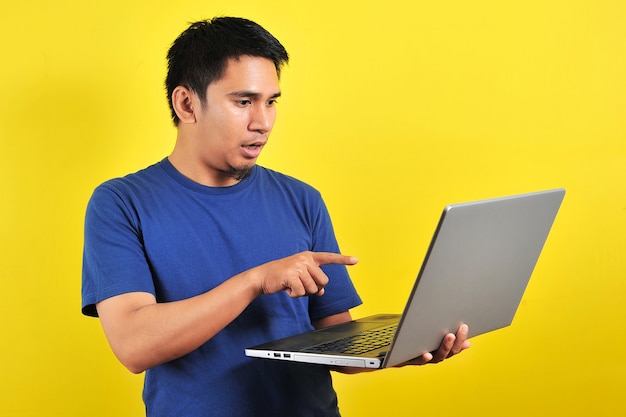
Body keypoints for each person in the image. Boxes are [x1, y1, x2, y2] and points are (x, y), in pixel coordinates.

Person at [81, 17, 470, 417]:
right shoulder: (121, 203)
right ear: (186, 104)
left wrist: (404, 349)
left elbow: (336, 344)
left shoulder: (301, 198)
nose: (262, 122)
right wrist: (255, 280)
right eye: (243, 101)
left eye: (271, 101)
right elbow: (134, 345)